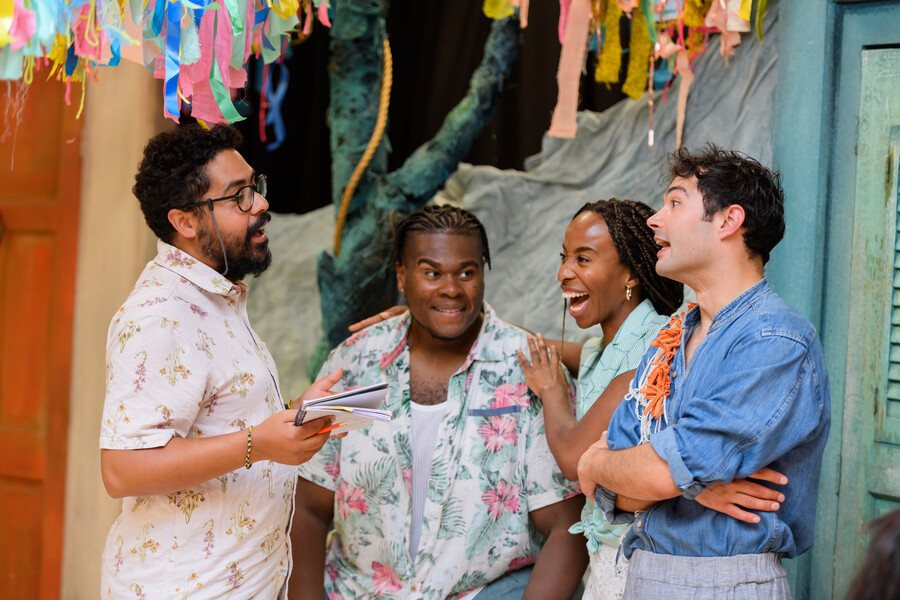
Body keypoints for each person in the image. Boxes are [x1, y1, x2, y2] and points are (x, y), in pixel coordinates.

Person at [291, 205, 588, 599]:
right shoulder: (356, 363)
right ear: (402, 275)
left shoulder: (527, 369)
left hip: (483, 591)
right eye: (431, 272)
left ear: (483, 274)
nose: (451, 288)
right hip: (357, 591)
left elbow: (566, 526)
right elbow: (310, 506)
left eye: (466, 272)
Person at [99, 124, 342, 599]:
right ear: (185, 222)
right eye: (239, 197)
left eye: (256, 187)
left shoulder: (216, 298)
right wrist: (261, 442)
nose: (261, 205)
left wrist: (294, 415)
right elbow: (123, 468)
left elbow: (220, 421)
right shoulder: (160, 314)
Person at [577, 145, 831, 598]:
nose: (656, 219)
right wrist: (686, 484)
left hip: (723, 583)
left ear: (728, 221)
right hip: (644, 576)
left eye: (675, 202)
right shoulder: (670, 339)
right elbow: (607, 491)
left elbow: (647, 476)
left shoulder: (775, 340)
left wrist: (601, 461)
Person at [518, 199, 787, 599]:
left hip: (646, 563)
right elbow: (534, 346)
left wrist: (553, 389)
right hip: (607, 560)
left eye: (583, 258)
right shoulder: (599, 348)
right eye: (564, 257)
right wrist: (412, 318)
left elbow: (574, 458)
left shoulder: (658, 345)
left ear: (630, 272)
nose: (563, 272)